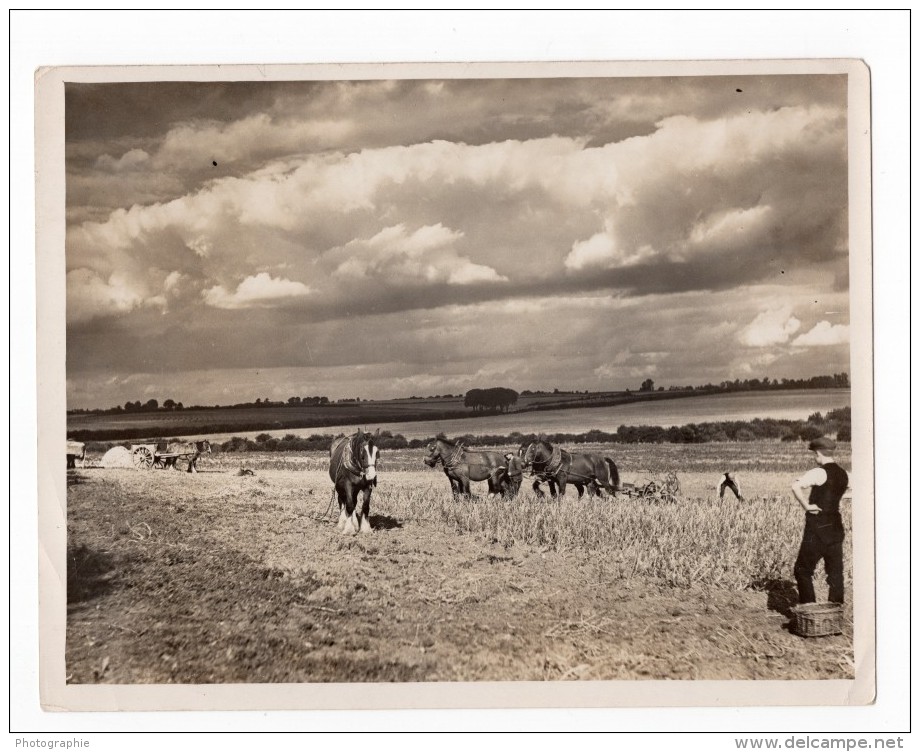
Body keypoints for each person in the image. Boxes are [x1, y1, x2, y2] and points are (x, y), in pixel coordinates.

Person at [790, 437, 849, 604]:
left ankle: (809, 610)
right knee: (836, 574)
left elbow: (795, 486)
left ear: (817, 453)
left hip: (817, 529)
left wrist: (807, 506)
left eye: (814, 454)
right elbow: (847, 492)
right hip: (836, 530)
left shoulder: (818, 472)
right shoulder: (844, 474)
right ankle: (835, 615)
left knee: (802, 570)